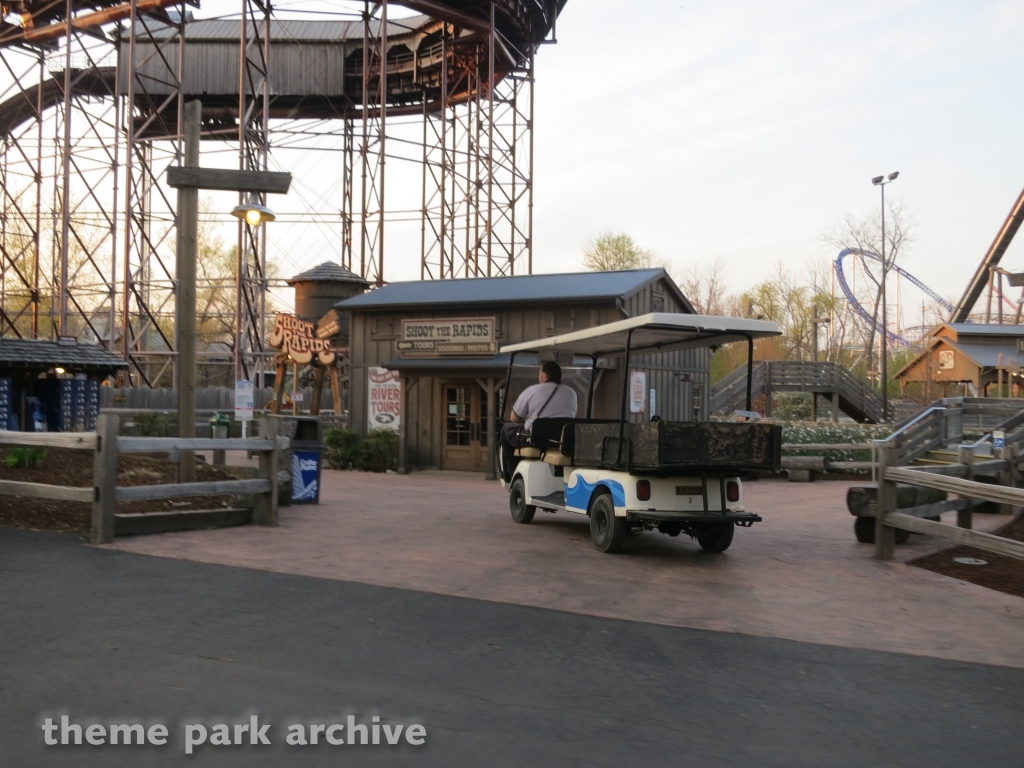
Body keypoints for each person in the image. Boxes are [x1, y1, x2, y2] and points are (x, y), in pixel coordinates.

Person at [500, 361, 578, 482]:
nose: (539, 376)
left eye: (540, 373)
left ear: (545, 375)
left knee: (505, 430)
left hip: (537, 439)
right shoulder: (571, 393)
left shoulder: (532, 391)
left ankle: (511, 475)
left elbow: (514, 418)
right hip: (563, 440)